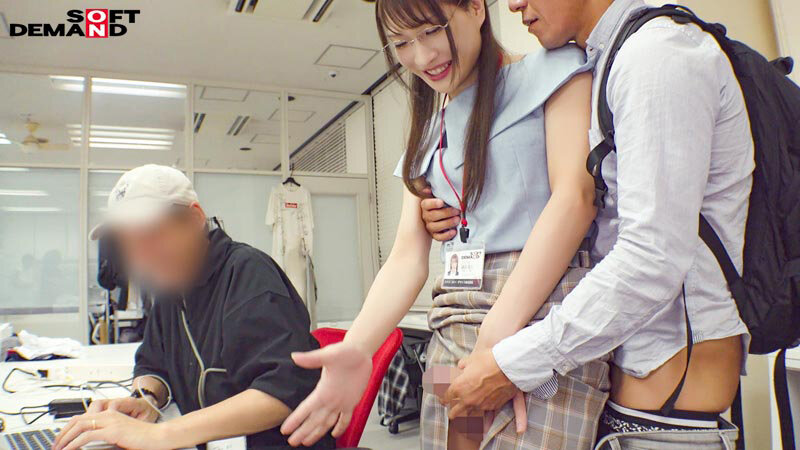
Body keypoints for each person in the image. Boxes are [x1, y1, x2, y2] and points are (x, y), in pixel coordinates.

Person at [281, 0, 610, 448]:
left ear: (476, 8)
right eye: (401, 43)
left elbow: (575, 198)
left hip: (537, 319)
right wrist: (357, 348)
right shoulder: (425, 131)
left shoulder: (553, 69)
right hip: (452, 326)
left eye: (431, 31)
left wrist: (496, 344)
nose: (421, 57)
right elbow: (406, 258)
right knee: (446, 440)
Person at [427, 0, 753, 448]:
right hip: (627, 402)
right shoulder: (609, 61)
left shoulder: (655, 55)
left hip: (665, 419)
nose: (513, 4)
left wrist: (513, 364)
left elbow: (652, 258)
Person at [53, 164, 334, 450]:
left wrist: (160, 435)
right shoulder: (170, 288)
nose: (141, 257)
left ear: (194, 218)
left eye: (152, 234)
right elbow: (153, 363)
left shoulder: (248, 273)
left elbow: (284, 389)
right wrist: (146, 399)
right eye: (129, 244)